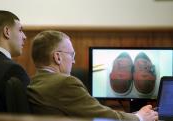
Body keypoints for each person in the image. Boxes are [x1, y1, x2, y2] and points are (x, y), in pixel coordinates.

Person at [27, 30, 158, 121]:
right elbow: (102, 116)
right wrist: (139, 117)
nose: (73, 61)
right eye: (72, 55)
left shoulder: (32, 81)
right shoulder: (64, 83)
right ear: (57, 57)